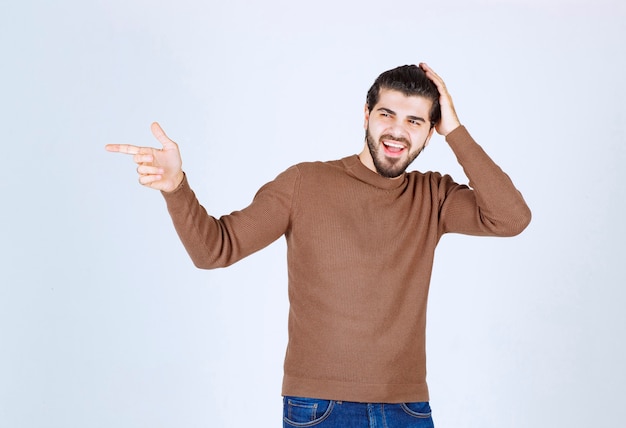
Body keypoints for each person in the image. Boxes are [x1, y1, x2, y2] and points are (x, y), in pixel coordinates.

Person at [106, 63, 531, 427]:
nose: (397, 131)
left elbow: (512, 218)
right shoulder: (305, 183)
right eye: (387, 114)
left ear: (430, 132)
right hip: (321, 408)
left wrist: (456, 130)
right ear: (366, 115)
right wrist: (176, 187)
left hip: (408, 408)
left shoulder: (434, 196)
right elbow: (215, 248)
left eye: (415, 121)